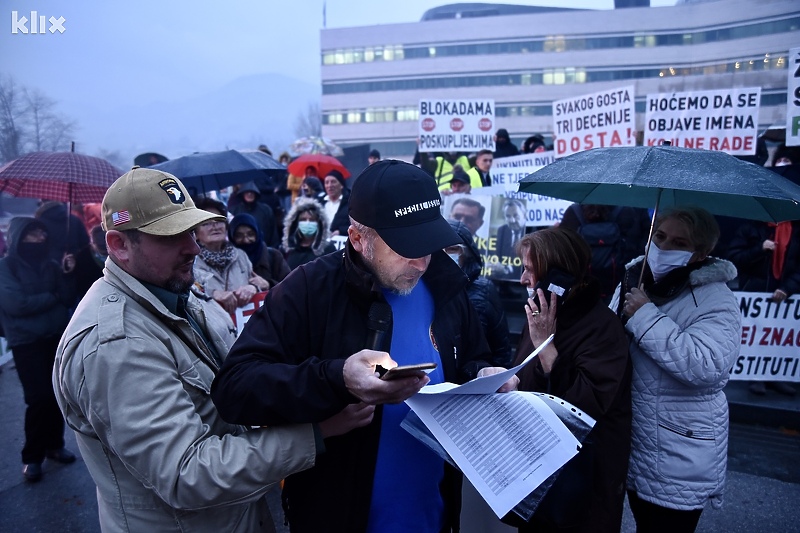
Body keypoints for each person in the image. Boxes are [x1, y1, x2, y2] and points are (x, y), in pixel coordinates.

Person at [52, 167, 404, 532]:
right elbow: (186, 474)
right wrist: (317, 432)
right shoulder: (116, 344)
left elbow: (239, 385)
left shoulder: (177, 293)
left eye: (190, 229)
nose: (193, 246)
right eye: (170, 236)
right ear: (119, 245)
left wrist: (324, 377)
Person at [211, 159, 517, 533]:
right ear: (358, 239)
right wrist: (336, 378)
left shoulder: (445, 285)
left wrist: (484, 375)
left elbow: (471, 357)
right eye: (406, 247)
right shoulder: (308, 289)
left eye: (429, 243)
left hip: (432, 514)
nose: (421, 261)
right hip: (338, 515)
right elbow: (235, 388)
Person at [610, 206, 740, 533]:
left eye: (678, 243)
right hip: (633, 439)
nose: (663, 248)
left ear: (701, 254)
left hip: (677, 450)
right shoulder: (636, 277)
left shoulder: (715, 299)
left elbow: (706, 365)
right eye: (660, 236)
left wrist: (645, 316)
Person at [513, 227, 631, 532]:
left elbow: (583, 406)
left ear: (555, 275)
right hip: (536, 474)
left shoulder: (602, 328)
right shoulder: (542, 315)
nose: (523, 280)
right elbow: (526, 376)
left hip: (580, 487)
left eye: (529, 269)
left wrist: (547, 348)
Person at [0, 217, 77, 482]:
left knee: (57, 394)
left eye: (42, 233)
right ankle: (32, 456)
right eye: (33, 234)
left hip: (54, 337)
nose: (40, 238)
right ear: (19, 237)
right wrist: (52, 297)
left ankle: (54, 445)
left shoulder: (52, 265)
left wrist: (67, 273)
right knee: (38, 398)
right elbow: (16, 305)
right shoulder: (5, 267)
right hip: (26, 342)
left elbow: (67, 297)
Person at [725, 216, 799, 396]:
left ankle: (776, 375)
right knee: (758, 334)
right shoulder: (750, 227)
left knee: (781, 335)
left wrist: (787, 288)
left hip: (786, 294)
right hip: (755, 291)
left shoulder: (797, 232)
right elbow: (734, 257)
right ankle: (756, 376)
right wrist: (759, 249)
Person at [447, 219, 513, 367]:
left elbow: (501, 347)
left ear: (466, 252)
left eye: (452, 249)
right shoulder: (427, 289)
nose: (445, 254)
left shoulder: (485, 289)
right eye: (440, 250)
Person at [192, 198, 267, 313]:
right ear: (195, 233)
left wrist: (253, 288)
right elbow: (189, 297)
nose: (215, 226)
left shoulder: (241, 255)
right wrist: (213, 294)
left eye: (219, 220)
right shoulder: (190, 262)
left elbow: (255, 283)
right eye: (206, 223)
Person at [229, 213, 291, 290]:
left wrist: (269, 284)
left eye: (250, 234)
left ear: (257, 234)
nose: (246, 240)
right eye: (239, 236)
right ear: (232, 238)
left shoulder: (273, 256)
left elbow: (291, 287)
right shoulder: (227, 262)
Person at [282, 197, 337, 270]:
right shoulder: (288, 250)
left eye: (312, 220)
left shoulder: (329, 250)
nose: (307, 223)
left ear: (319, 224)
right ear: (295, 223)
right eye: (303, 219)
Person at [229, 181, 280, 247]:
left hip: (264, 249)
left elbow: (273, 233)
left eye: (252, 192)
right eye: (247, 192)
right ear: (242, 194)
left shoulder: (266, 210)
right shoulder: (234, 211)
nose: (249, 194)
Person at [493, 198, 527, 278]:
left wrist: (507, 269)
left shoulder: (531, 230)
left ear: (524, 215)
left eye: (516, 216)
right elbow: (498, 255)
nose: (512, 220)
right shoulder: (502, 230)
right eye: (508, 216)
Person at [321, 169, 351, 236]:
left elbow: (357, 226)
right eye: (326, 182)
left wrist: (341, 231)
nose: (330, 185)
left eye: (333, 182)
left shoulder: (350, 203)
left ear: (341, 185)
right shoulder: (320, 203)